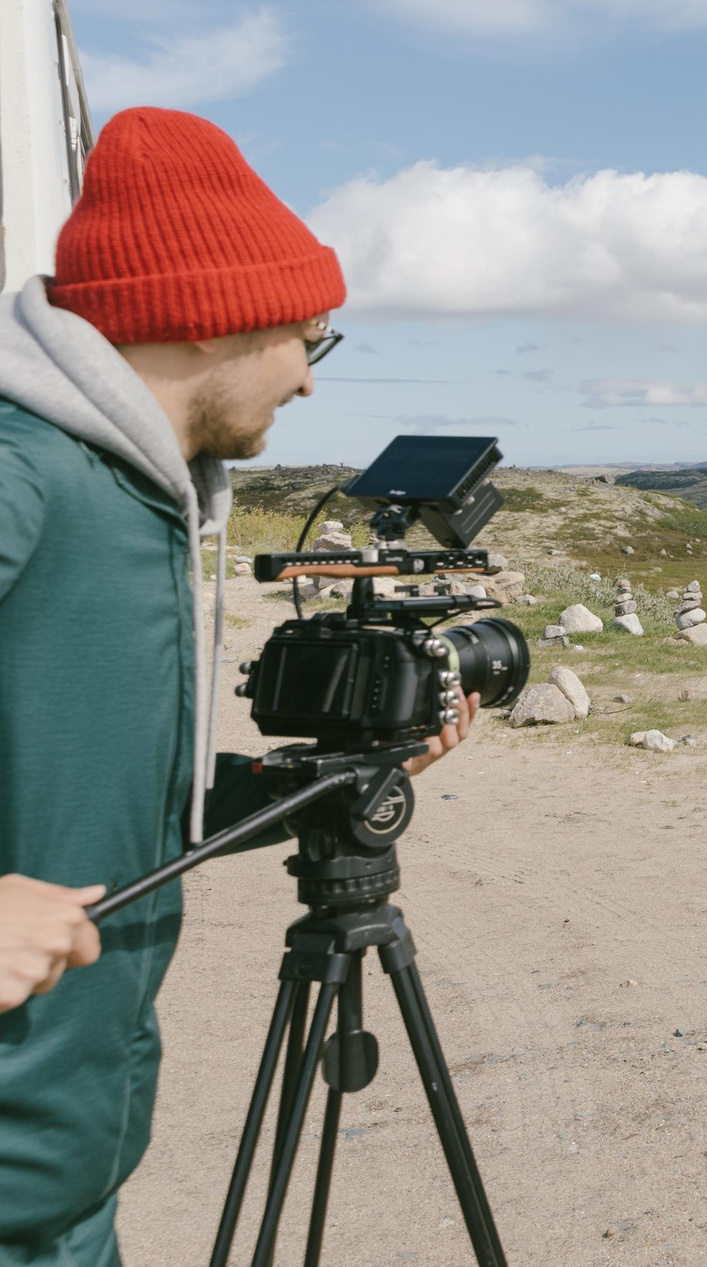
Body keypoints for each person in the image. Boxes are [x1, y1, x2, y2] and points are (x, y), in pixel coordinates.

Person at [0, 107, 479, 1266]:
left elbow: (81, 787)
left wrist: (299, 786)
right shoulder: (28, 471)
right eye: (311, 337)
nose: (311, 381)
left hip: (57, 1178)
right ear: (215, 319)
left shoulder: (134, 492)